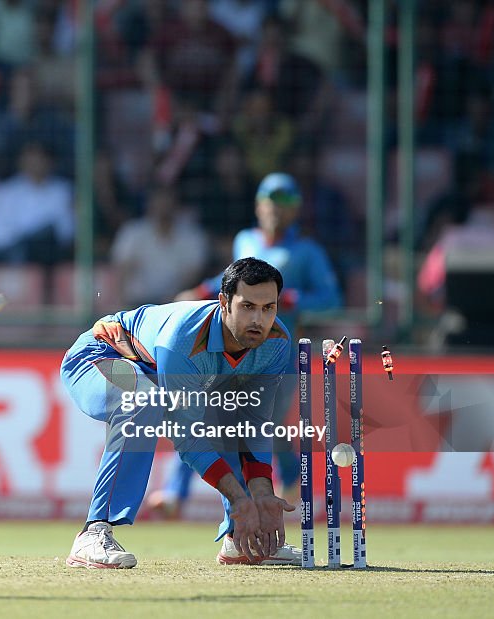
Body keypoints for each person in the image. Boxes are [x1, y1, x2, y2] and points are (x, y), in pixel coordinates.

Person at [62, 257, 300, 568]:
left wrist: (261, 493)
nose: (258, 319)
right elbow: (188, 439)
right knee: (144, 402)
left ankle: (240, 538)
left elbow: (253, 423)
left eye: (268, 308)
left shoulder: (276, 341)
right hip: (101, 355)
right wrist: (241, 499)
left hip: (155, 372)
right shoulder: (185, 339)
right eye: (247, 306)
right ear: (224, 303)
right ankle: (93, 533)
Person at [157, 173, 341, 512]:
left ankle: (293, 485)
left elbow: (330, 298)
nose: (276, 209)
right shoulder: (246, 240)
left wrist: (292, 300)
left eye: (285, 203)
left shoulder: (306, 251)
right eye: (270, 201)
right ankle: (176, 494)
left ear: (296, 210)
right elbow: (232, 282)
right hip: (234, 349)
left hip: (277, 352)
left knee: (265, 423)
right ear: (258, 205)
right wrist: (200, 292)